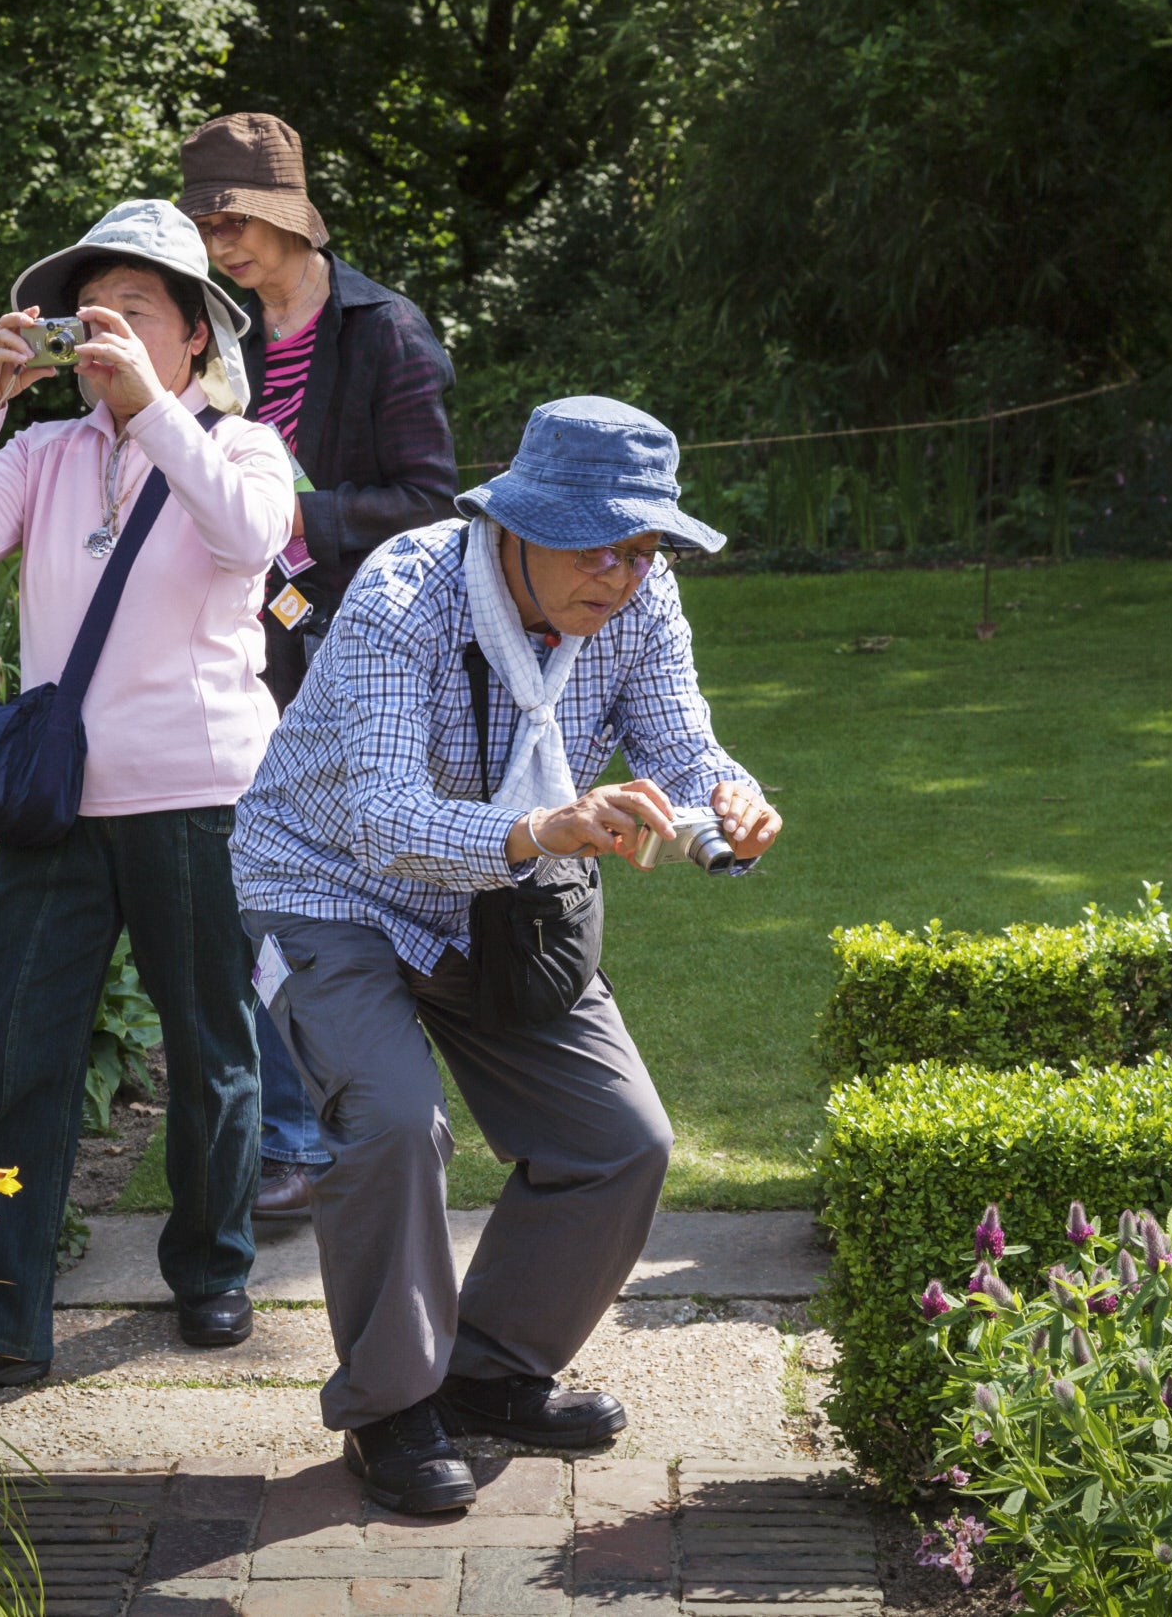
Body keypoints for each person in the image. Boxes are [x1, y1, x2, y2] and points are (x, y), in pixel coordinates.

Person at [228, 395, 783, 1513]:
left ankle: (489, 1369)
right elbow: (383, 817)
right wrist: (540, 829)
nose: (622, 573)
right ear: (515, 523)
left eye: (644, 546)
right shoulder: (402, 592)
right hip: (326, 885)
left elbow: (679, 739)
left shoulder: (640, 595)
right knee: (389, 1119)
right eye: (596, 543)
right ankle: (391, 1406)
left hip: (512, 894)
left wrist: (731, 810)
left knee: (619, 1138)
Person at [0, 199, 297, 1389]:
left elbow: (243, 539)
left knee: (211, 1045)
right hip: (60, 802)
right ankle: (5, 1310)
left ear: (195, 337)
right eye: (94, 311)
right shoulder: (46, 454)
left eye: (136, 311)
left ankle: (214, 1269)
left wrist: (153, 414)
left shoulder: (241, 447)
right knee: (17, 1055)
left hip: (198, 795)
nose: (108, 329)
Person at [177, 111, 461, 1224]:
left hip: (355, 649)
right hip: (237, 642)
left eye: (239, 218)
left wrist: (298, 508)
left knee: (326, 891)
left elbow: (434, 506)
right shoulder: (219, 330)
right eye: (208, 222)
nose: (223, 241)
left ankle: (344, 1128)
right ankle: (298, 1133)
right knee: (260, 886)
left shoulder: (384, 332)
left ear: (290, 216)